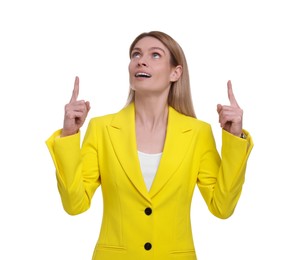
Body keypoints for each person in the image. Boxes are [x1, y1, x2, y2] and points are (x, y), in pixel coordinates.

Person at [46, 31, 253, 260]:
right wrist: (69, 134)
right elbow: (74, 204)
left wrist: (234, 137)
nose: (140, 60)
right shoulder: (101, 129)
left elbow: (222, 207)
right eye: (136, 54)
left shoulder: (198, 133)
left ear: (175, 72)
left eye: (155, 55)